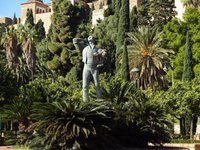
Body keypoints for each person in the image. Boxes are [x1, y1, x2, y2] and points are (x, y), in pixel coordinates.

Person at [73, 36, 106, 102]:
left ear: (94, 41)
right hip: (86, 68)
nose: (91, 41)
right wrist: (83, 39)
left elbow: (103, 55)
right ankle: (85, 102)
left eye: (92, 40)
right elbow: (75, 40)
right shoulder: (84, 47)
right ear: (88, 41)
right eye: (90, 40)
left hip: (94, 69)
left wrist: (102, 54)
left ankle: (99, 101)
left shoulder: (97, 49)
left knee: (97, 85)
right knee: (85, 86)